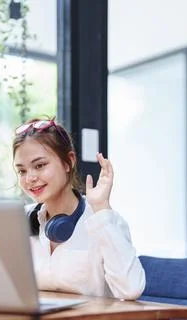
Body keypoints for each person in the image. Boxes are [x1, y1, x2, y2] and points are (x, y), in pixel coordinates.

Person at [12, 117, 145, 300]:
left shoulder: (103, 219)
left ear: (69, 162)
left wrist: (101, 208)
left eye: (40, 165)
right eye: (22, 171)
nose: (30, 178)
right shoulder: (19, 220)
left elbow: (131, 290)